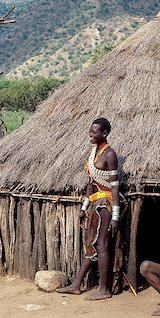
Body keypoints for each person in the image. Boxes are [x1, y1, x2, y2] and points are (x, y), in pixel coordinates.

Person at [57, 117, 121, 300]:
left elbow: (115, 186)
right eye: (90, 132)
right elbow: (91, 183)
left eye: (94, 132)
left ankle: (104, 289)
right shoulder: (94, 152)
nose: (90, 135)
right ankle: (77, 285)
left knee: (101, 245)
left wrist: (115, 215)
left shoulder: (110, 154)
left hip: (107, 205)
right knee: (91, 244)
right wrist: (84, 208)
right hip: (95, 203)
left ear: (105, 133)